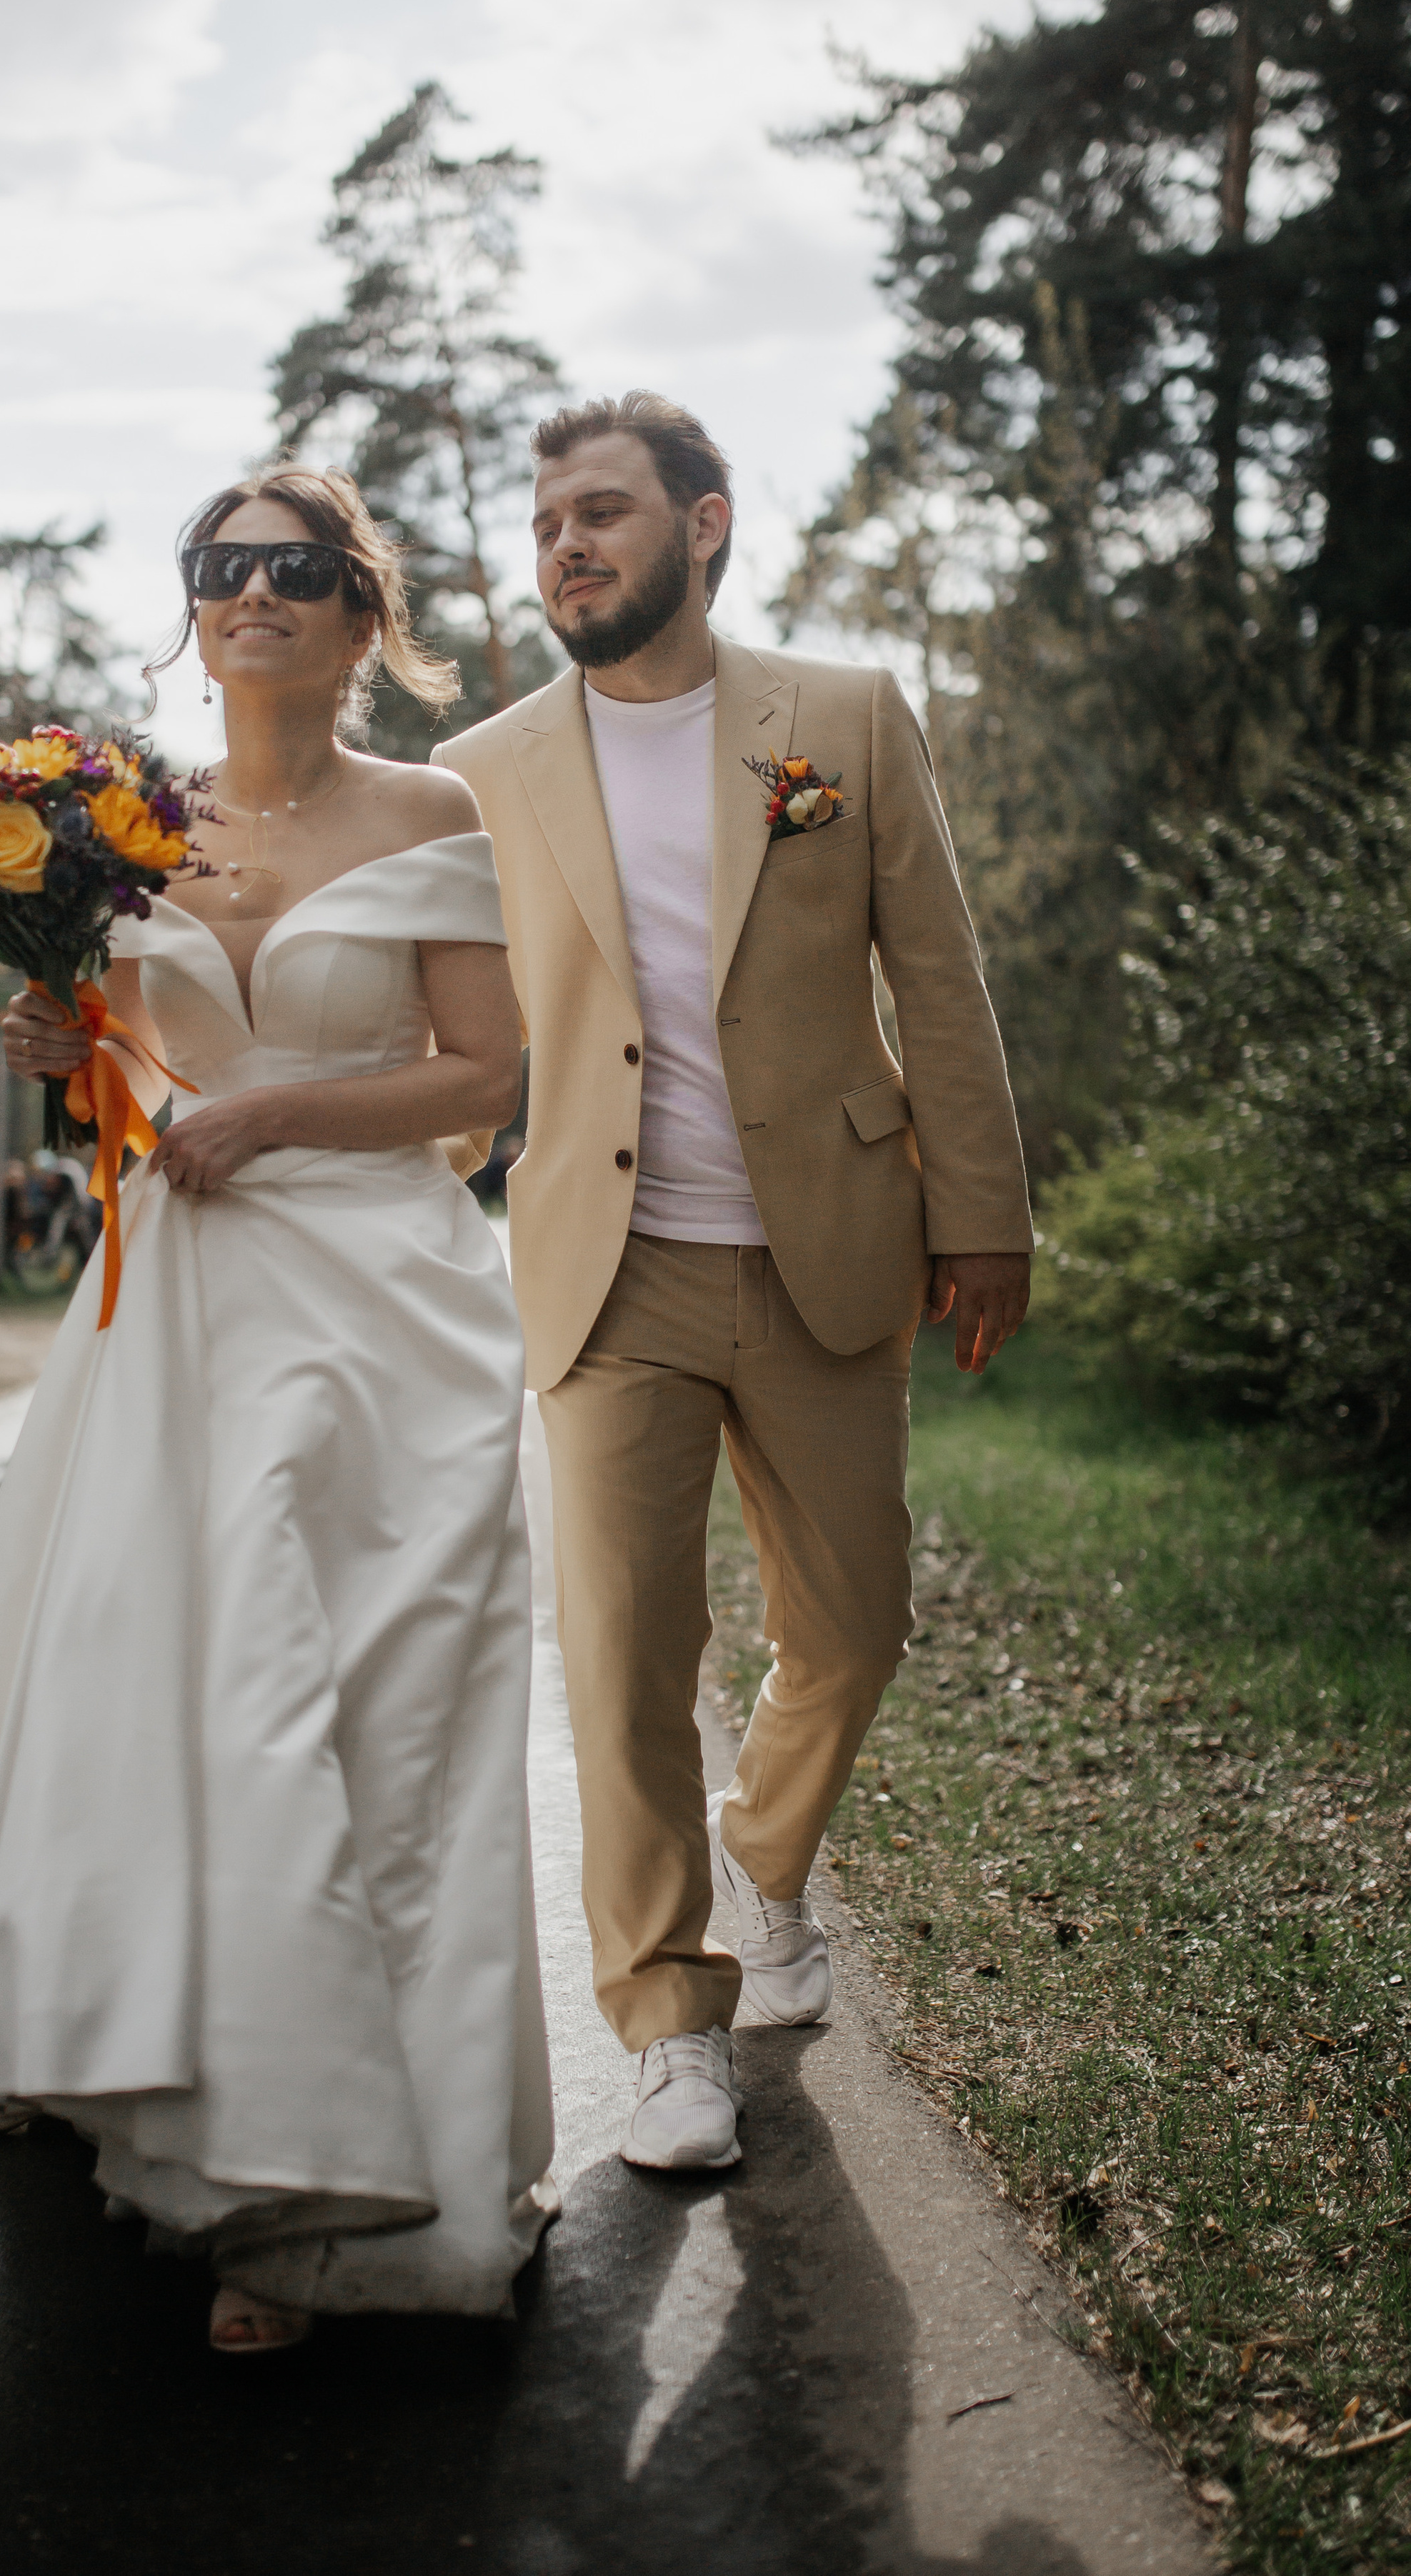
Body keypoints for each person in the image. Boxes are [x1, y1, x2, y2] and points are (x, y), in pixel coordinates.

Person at [0, 465, 556, 2354]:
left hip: (381, 1302)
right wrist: (77, 1059)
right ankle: (141, 2057)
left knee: (364, 1702)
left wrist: (279, 1110)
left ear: (361, 615)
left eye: (298, 570)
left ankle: (319, 2195)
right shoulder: (118, 824)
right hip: (178, 1302)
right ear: (194, 606)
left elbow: (484, 1077)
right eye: (222, 569)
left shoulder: (432, 808)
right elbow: (131, 1099)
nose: (255, 594)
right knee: (158, 1691)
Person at [436, 393, 1032, 2171]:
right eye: (547, 520)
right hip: (604, 1268)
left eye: (603, 512)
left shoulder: (837, 718)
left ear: (701, 527)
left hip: (828, 1247)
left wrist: (981, 1209)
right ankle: (667, 2020)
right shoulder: (480, 772)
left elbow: (935, 972)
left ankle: (764, 1860)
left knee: (854, 1625)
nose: (566, 545)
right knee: (621, 1658)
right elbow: (421, 1015)